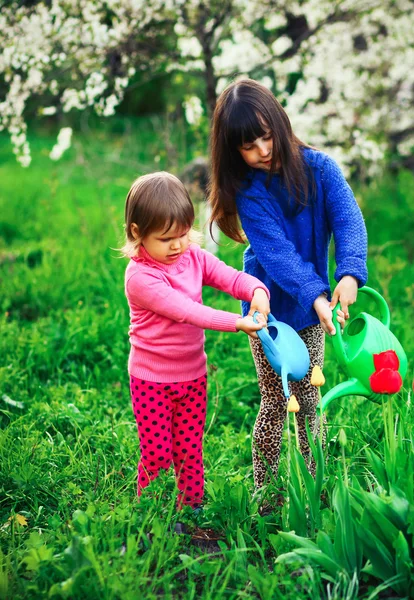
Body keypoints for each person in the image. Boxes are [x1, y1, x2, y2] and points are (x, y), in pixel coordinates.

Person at [208, 79, 368, 491]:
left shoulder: (321, 169)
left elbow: (348, 219)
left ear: (280, 124)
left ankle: (313, 488)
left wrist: (349, 272)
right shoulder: (249, 191)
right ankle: (266, 490)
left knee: (310, 398)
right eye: (248, 145)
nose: (262, 150)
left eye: (266, 136)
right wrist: (316, 292)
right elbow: (276, 254)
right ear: (233, 152)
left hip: (313, 312)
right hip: (268, 313)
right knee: (276, 399)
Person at [120, 171, 270, 509]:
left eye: (183, 234)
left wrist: (256, 289)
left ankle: (193, 509)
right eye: (166, 238)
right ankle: (153, 513)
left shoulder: (191, 256)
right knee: (157, 452)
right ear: (137, 233)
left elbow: (228, 277)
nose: (177, 245)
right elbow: (186, 311)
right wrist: (237, 321)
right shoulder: (140, 277)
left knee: (189, 449)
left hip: (193, 375)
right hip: (151, 380)